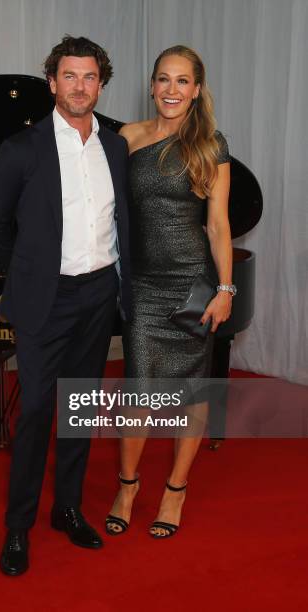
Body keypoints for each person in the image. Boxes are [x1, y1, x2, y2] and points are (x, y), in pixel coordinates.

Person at [0, 35, 131, 575]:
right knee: (38, 412)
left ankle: (67, 509)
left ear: (100, 83)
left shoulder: (114, 146)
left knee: (80, 409)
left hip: (97, 295)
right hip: (47, 298)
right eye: (70, 76)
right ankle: (18, 527)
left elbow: (120, 221)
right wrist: (31, 265)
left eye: (89, 77)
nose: (80, 86)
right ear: (52, 82)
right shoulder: (24, 149)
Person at [105, 45, 233, 539]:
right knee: (138, 392)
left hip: (192, 285)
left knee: (194, 393)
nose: (171, 90)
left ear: (197, 90)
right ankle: (127, 485)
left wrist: (225, 289)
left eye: (183, 81)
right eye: (164, 79)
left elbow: (218, 226)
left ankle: (175, 489)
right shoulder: (128, 137)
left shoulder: (210, 145)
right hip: (142, 285)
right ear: (152, 84)